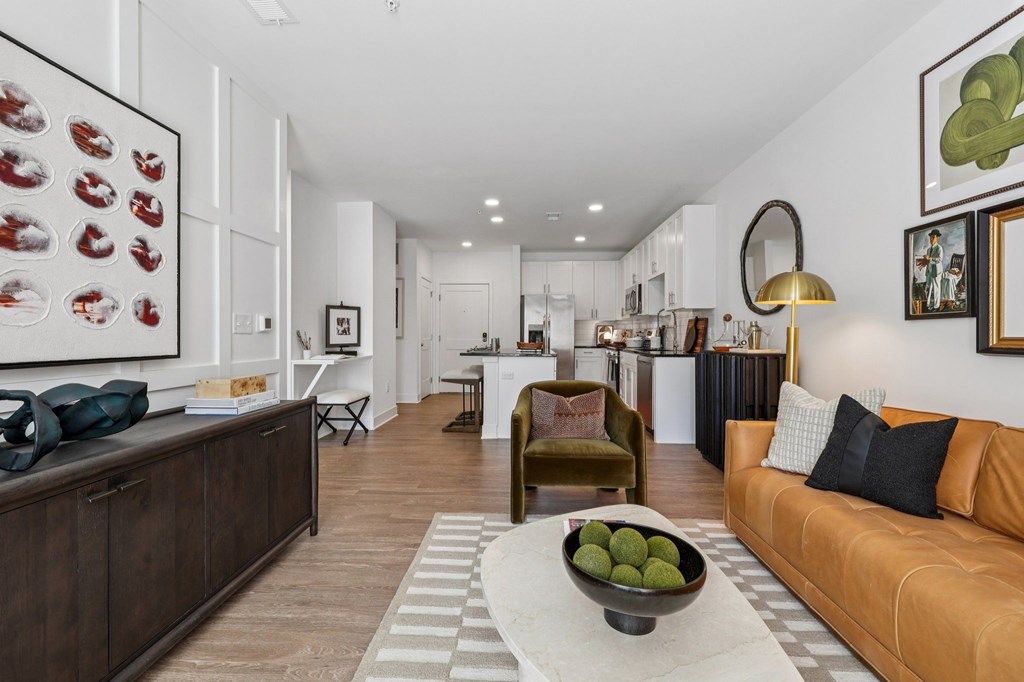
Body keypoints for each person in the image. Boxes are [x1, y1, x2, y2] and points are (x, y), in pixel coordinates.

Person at [922, 229, 944, 311]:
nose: (931, 239)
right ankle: (928, 304)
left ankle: (936, 306)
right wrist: (924, 261)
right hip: (929, 271)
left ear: (937, 238)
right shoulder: (928, 250)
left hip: (937, 271)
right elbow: (928, 261)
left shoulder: (939, 248)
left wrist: (929, 259)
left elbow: (939, 259)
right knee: (929, 288)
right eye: (930, 237)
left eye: (933, 237)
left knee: (936, 289)